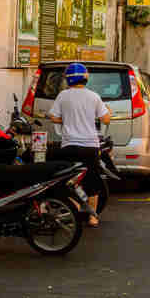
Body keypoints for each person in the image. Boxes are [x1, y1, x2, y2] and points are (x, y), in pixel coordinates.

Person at [47, 63, 111, 226]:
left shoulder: (63, 95)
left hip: (69, 146)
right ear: (85, 78)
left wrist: (66, 119)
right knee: (93, 182)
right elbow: (105, 119)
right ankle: (93, 217)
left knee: (70, 181)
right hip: (90, 146)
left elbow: (53, 117)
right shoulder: (94, 96)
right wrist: (106, 111)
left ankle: (72, 215)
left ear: (68, 79)